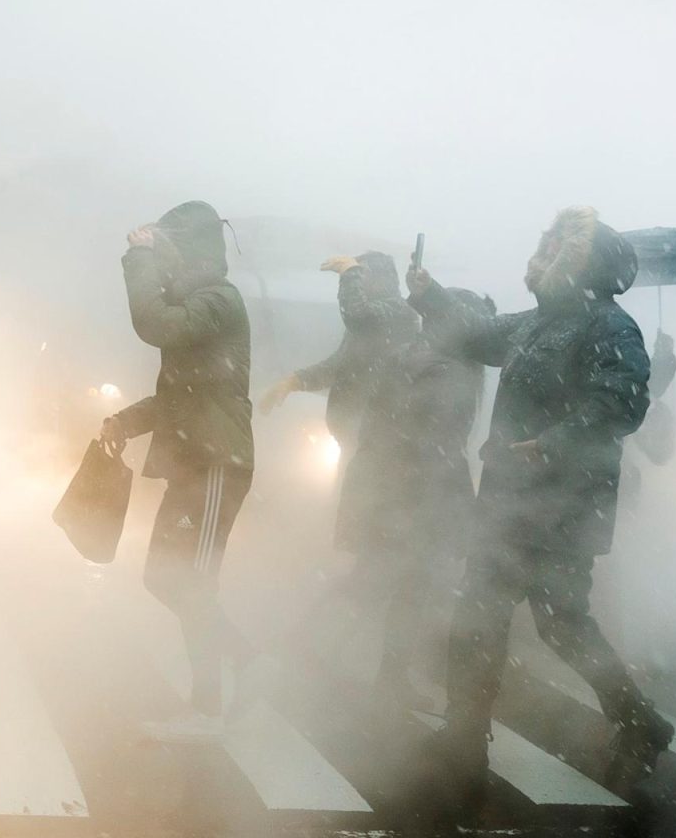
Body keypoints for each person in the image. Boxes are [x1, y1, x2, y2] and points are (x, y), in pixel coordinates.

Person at [406, 206, 673, 803]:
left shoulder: (610, 326)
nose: (542, 254)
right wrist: (431, 297)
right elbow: (474, 334)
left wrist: (550, 447)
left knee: (563, 626)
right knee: (478, 618)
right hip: (507, 501)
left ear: (583, 265)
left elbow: (623, 403)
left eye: (556, 248)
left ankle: (641, 721)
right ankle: (464, 736)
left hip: (566, 506)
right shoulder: (538, 322)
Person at [101, 200, 256, 744]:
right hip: (194, 461)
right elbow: (178, 396)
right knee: (162, 576)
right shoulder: (199, 302)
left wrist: (136, 260)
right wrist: (125, 420)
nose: (160, 259)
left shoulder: (217, 301)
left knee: (193, 583)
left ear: (189, 251)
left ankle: (208, 709)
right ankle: (243, 656)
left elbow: (153, 325)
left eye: (168, 248)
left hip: (218, 464)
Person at [329, 287, 493, 706]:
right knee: (393, 586)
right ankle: (314, 658)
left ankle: (368, 671)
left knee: (387, 585)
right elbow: (434, 446)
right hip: (412, 499)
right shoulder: (447, 369)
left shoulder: (418, 355)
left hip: (392, 492)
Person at [258, 251, 421, 450]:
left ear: (379, 279)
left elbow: (356, 316)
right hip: (355, 439)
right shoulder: (374, 319)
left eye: (361, 276)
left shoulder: (397, 312)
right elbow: (341, 366)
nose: (358, 284)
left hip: (381, 441)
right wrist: (295, 380)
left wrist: (350, 273)